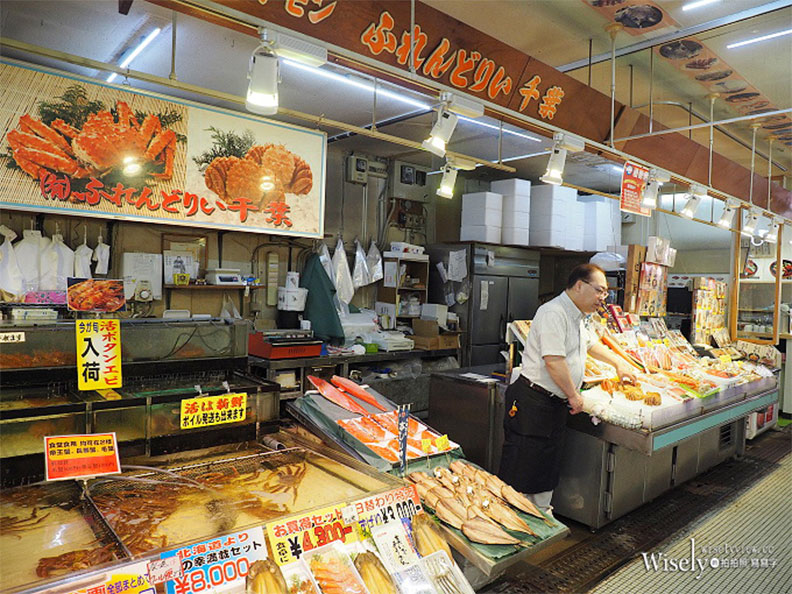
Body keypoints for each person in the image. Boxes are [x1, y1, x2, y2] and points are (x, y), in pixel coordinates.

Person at [497, 263, 637, 512]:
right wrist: (573, 395)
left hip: (553, 403)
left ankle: (540, 516)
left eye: (605, 292)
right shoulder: (554, 313)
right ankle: (511, 518)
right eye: (599, 290)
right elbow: (553, 360)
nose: (603, 298)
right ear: (579, 285)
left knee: (546, 464)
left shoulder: (578, 317)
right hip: (533, 402)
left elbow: (591, 345)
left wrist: (619, 363)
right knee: (523, 464)